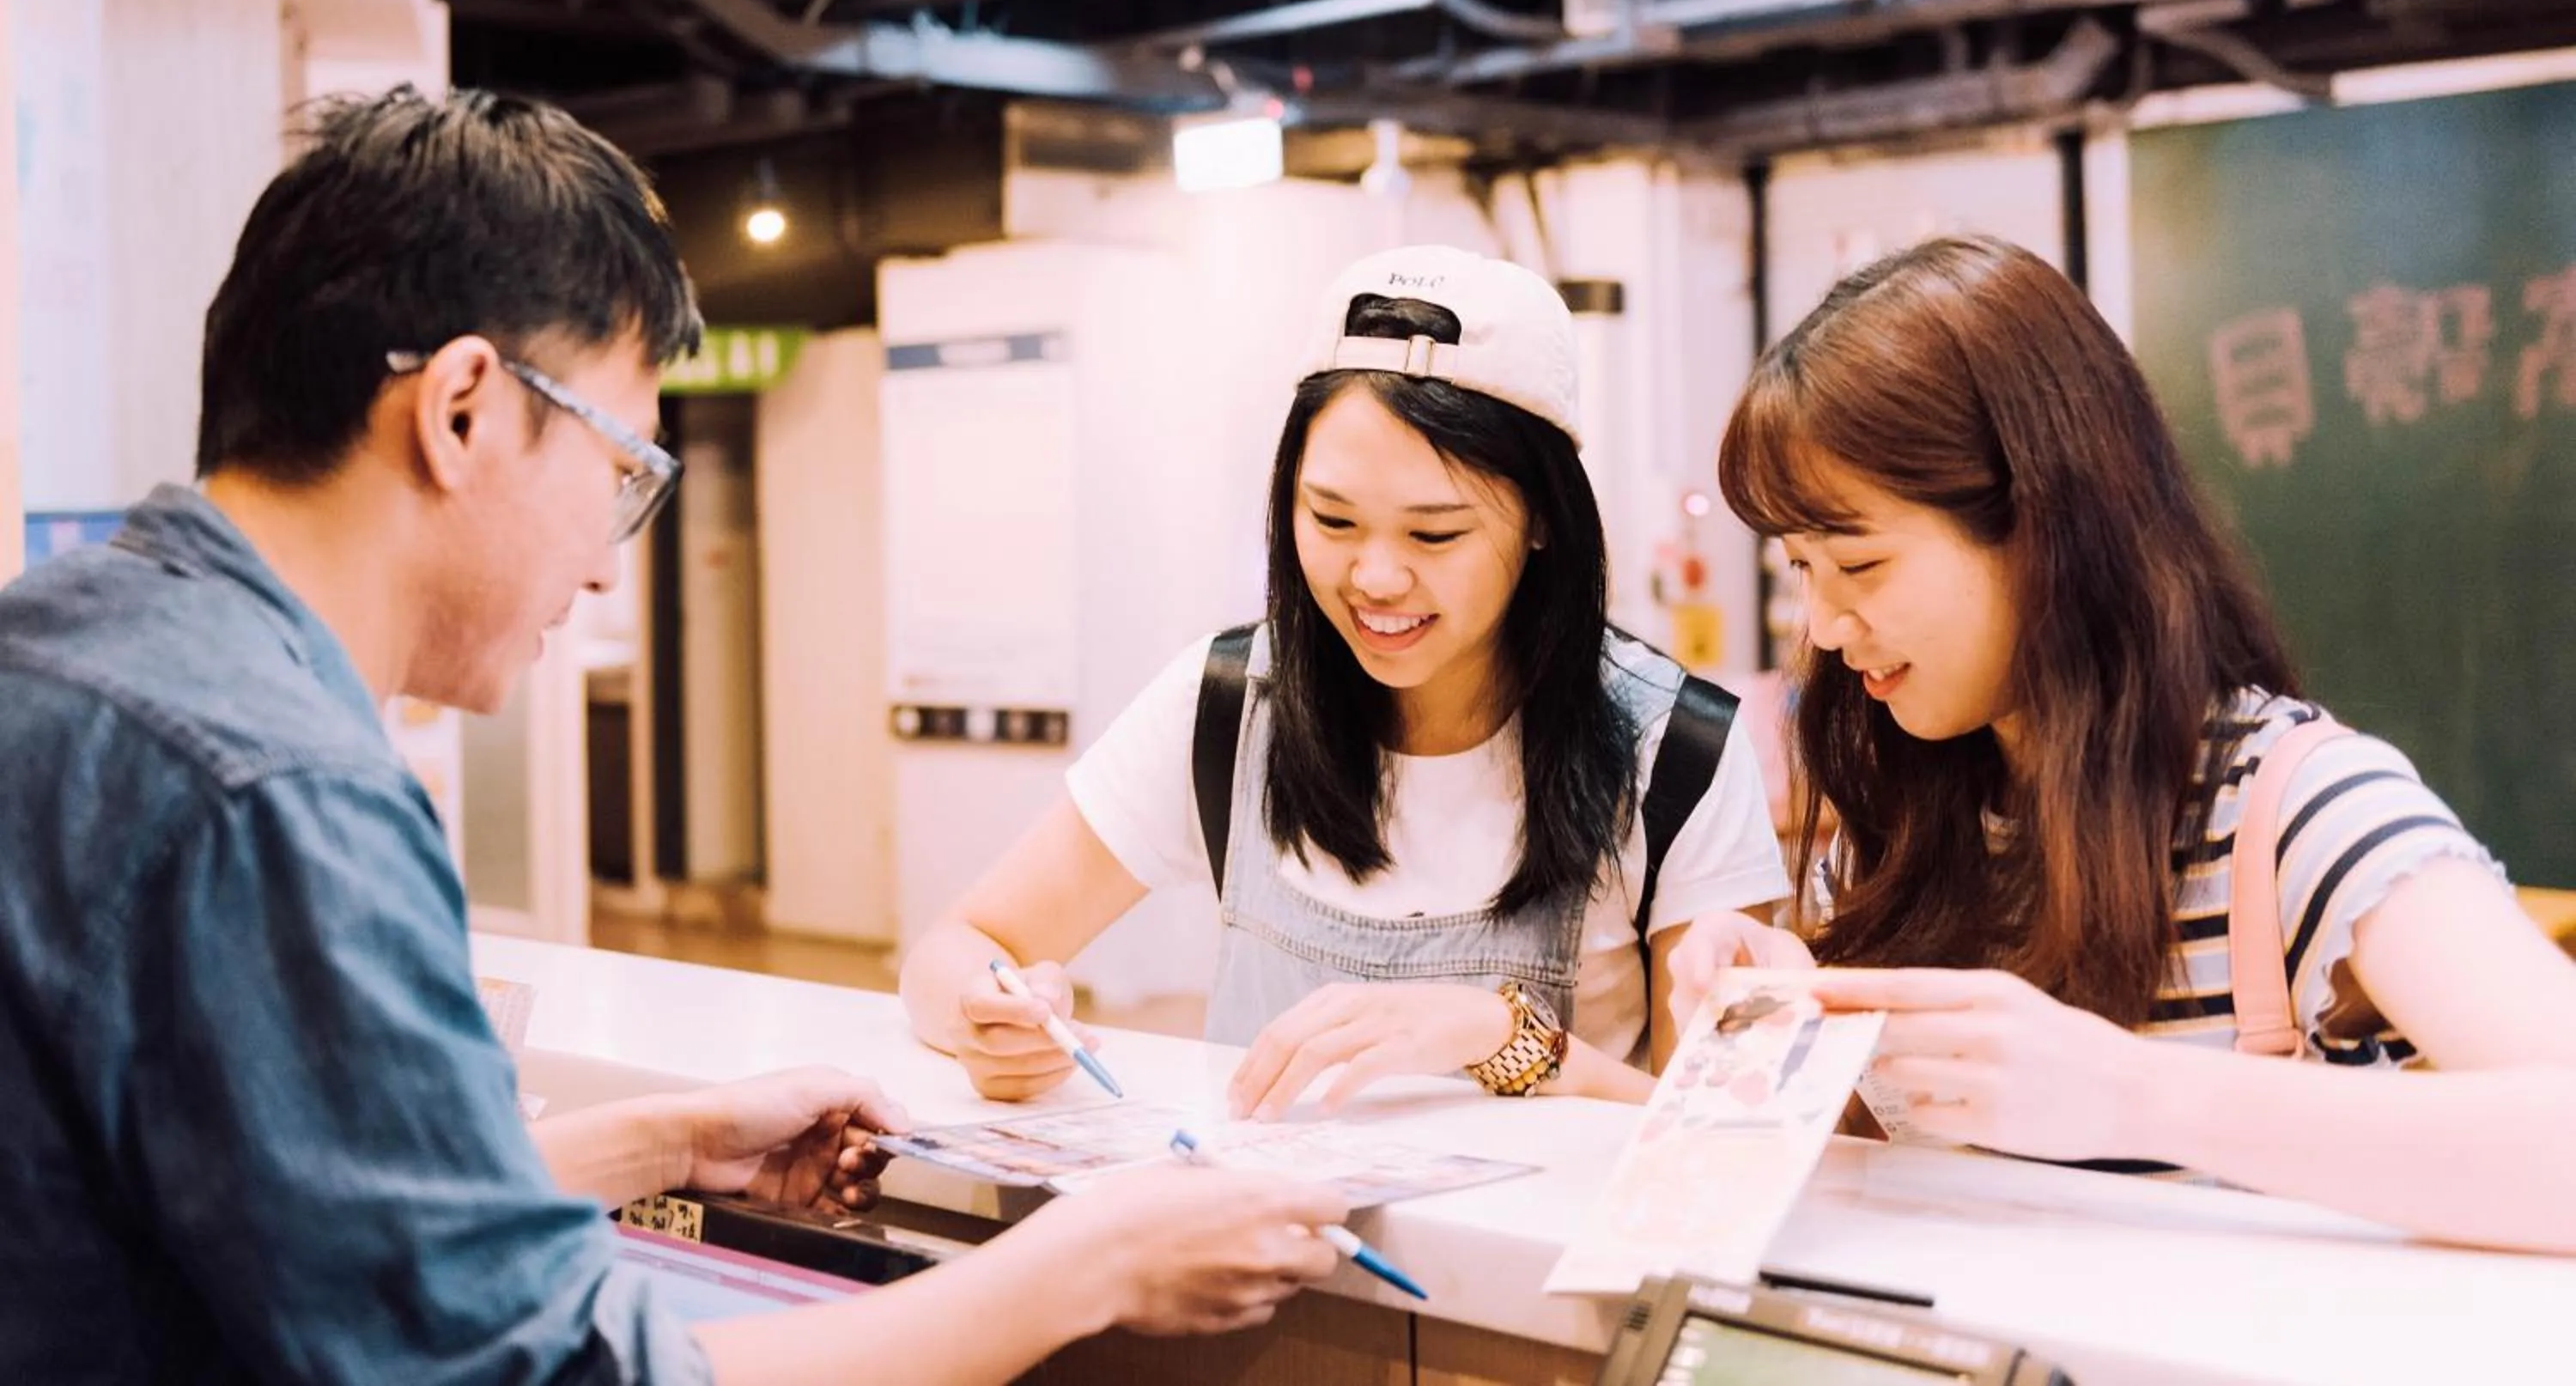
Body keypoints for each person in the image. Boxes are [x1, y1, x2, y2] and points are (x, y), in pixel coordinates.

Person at [0, 88, 1348, 1385]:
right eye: (622, 470)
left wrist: (667, 1137)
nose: (602, 568)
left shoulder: (60, 653)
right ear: (461, 408)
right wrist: (1084, 1263)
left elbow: (286, 1217)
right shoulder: (283, 793)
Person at [1671, 234, 2576, 1252]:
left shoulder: (2297, 811)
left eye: (1860, 563)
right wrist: (1793, 1028)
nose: (1825, 626)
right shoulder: (1900, 829)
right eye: (1800, 567)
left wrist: (2126, 1091)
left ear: (2046, 528)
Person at [902, 246, 1789, 1116]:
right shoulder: (1227, 704)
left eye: (1434, 535)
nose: (1374, 578)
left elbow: (1721, 1132)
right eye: (1331, 518)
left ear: (1545, 521)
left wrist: (1502, 1034)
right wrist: (990, 1018)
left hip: (1524, 1265)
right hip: (1243, 1253)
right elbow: (955, 949)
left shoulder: (1676, 751)